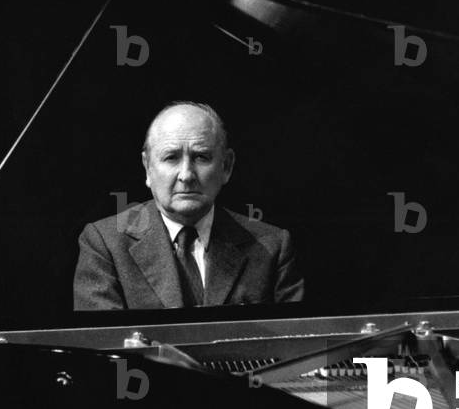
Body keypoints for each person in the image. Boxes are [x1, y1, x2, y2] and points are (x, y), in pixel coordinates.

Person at [73, 101, 303, 309]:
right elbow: (105, 347)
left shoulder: (272, 246)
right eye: (171, 157)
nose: (186, 175)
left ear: (226, 166)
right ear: (147, 167)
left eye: (201, 157)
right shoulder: (105, 244)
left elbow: (301, 346)